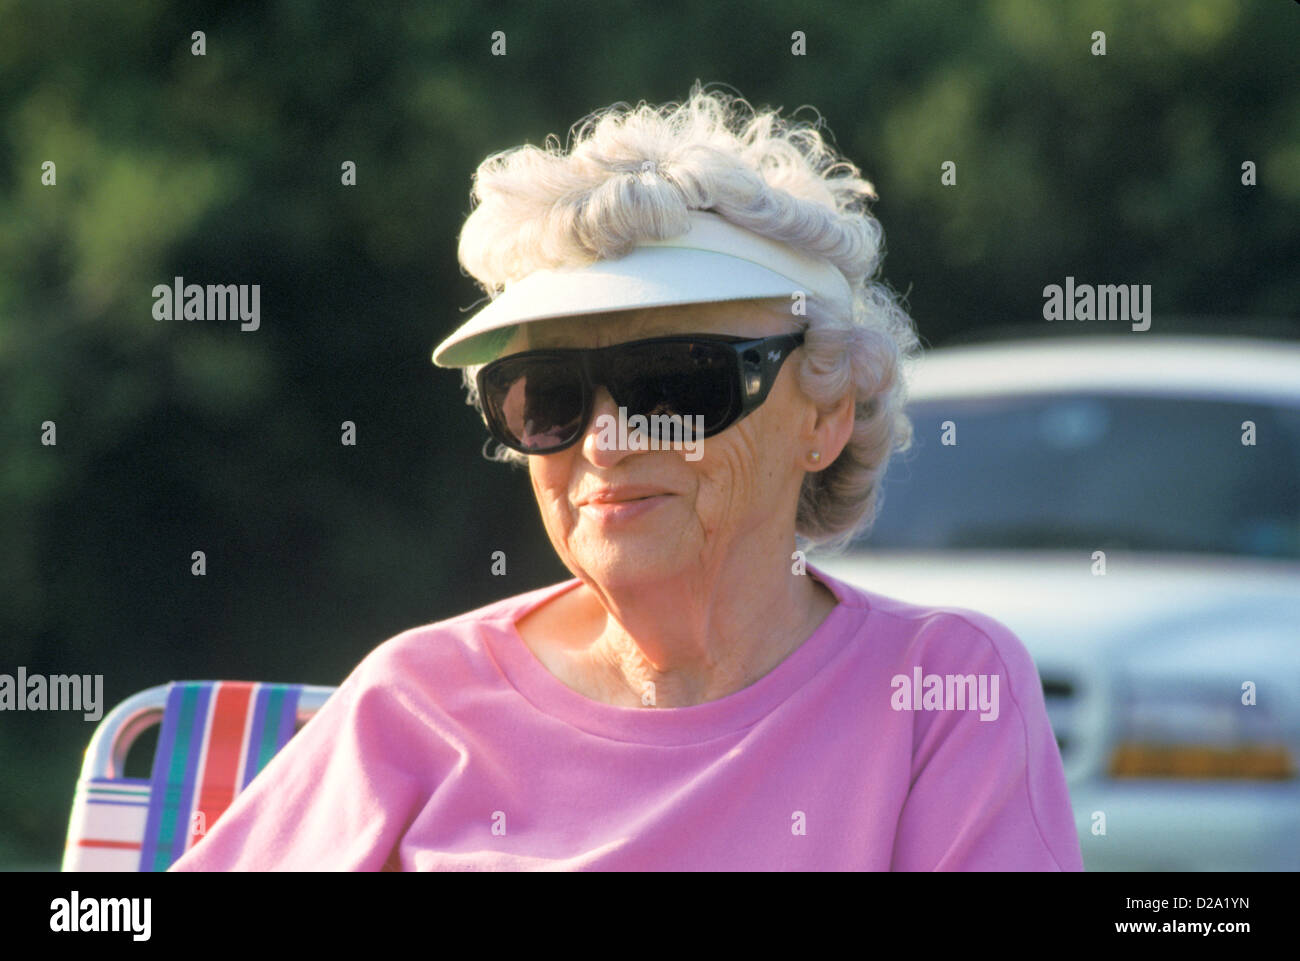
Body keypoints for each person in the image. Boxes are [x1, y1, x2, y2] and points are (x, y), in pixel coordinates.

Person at [169, 84, 1083, 871]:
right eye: (548, 395)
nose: (604, 441)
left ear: (825, 415)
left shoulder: (941, 690)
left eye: (677, 381)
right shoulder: (415, 696)